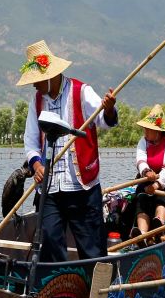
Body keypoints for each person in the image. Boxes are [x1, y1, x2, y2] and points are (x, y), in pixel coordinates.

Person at [18, 40, 118, 262]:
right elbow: (30, 141)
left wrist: (109, 109)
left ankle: (94, 290)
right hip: (50, 189)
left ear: (50, 76)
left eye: (36, 81)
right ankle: (58, 289)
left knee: (92, 251)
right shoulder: (36, 101)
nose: (34, 86)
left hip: (82, 187)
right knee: (49, 243)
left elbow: (103, 120)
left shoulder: (81, 92)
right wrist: (36, 165)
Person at [130, 105, 165, 241]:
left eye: (148, 129)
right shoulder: (143, 141)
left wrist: (157, 185)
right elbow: (140, 160)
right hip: (147, 180)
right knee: (142, 198)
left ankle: (159, 226)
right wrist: (146, 172)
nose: (145, 131)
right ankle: (142, 235)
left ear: (157, 131)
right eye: (145, 128)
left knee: (161, 198)